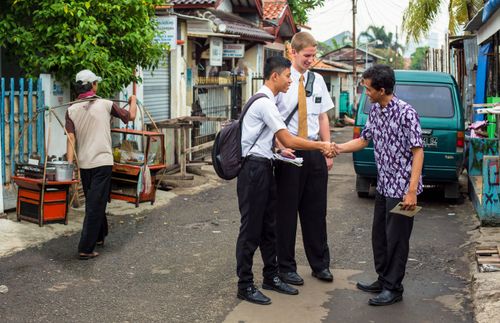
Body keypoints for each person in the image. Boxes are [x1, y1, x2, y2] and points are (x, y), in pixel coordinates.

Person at [236, 56, 336, 305]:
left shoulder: (268, 100)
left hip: (267, 163)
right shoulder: (265, 103)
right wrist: (321, 145)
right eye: (287, 76)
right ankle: (245, 284)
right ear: (274, 77)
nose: (291, 80)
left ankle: (271, 276)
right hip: (254, 170)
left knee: (269, 227)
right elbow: (288, 138)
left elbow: (274, 141)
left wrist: (280, 151)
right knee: (251, 230)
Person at [335, 64, 424, 306]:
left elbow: (418, 152)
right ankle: (384, 279)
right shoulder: (375, 111)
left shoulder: (407, 113)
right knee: (380, 237)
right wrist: (336, 148)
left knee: (397, 239)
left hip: (404, 191)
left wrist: (412, 191)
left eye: (368, 89)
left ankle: (393, 289)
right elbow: (363, 140)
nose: (365, 93)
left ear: (382, 89)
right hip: (384, 187)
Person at [274, 31, 335, 286]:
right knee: (286, 213)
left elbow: (322, 117)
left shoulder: (318, 80)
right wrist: (278, 146)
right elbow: (272, 119)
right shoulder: (282, 80)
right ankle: (285, 267)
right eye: (307, 55)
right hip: (288, 152)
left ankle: (320, 264)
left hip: (314, 151)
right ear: (294, 53)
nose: (311, 59)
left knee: (315, 212)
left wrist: (327, 148)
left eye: (313, 55)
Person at [65, 69, 137, 260]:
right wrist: (133, 101)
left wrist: (69, 164)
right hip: (102, 162)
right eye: (96, 82)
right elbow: (130, 117)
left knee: (95, 200)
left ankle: (100, 236)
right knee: (95, 204)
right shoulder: (106, 104)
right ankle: (85, 248)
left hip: (85, 163)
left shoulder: (71, 110)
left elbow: (70, 138)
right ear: (93, 85)